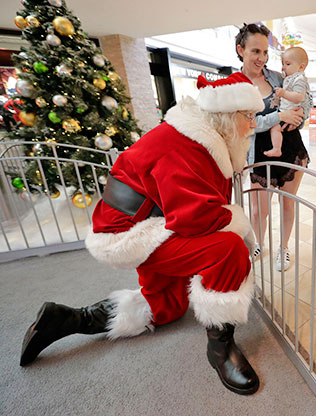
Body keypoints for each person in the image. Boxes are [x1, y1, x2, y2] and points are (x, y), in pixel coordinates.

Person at [19, 73, 265, 396]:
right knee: (228, 249)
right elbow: (196, 217)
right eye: (249, 117)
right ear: (228, 117)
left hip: (150, 221)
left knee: (168, 304)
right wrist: (241, 223)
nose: (253, 125)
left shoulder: (201, 138)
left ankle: (66, 319)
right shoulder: (186, 145)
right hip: (132, 232)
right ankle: (220, 351)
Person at [235, 23, 309, 272]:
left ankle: (284, 248)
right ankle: (258, 243)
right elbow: (246, 126)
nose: (262, 58)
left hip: (290, 147)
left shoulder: (277, 77)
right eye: (256, 51)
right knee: (258, 209)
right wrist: (280, 117)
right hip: (258, 153)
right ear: (241, 50)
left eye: (265, 52)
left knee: (288, 203)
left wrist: (298, 115)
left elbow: (302, 100)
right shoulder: (236, 87)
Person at [264, 46, 312, 158]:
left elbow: (300, 97)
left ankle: (276, 148)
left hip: (291, 112)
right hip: (286, 112)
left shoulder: (299, 79)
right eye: (283, 64)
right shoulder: (289, 78)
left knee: (275, 128)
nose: (283, 68)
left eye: (287, 64)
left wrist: (283, 93)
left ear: (301, 66)